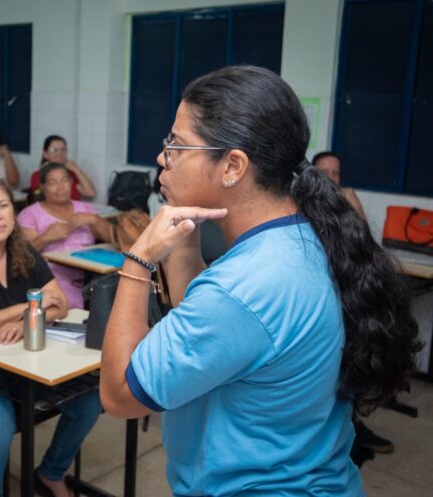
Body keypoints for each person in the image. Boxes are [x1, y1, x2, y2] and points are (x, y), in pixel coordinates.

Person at [100, 66, 420, 495]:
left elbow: (120, 395)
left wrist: (138, 261)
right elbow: (202, 318)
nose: (162, 157)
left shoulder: (241, 288)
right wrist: (183, 232)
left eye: (176, 145)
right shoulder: (304, 237)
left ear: (233, 166)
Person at [0, 176, 101, 497]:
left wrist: (27, 322)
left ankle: (50, 473)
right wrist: (29, 307)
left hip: (18, 364)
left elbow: (60, 304)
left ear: (14, 210)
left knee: (90, 399)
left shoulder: (22, 250)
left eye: (3, 206)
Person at [18, 162, 110, 309]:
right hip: (53, 281)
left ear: (71, 182)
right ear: (42, 187)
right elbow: (21, 255)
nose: (60, 187)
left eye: (64, 180)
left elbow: (111, 238)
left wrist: (94, 219)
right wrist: (46, 237)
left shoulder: (85, 208)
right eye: (53, 182)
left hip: (91, 278)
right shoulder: (30, 214)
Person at [28, 135, 96, 202]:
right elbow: (40, 198)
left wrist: (77, 170)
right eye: (54, 150)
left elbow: (90, 193)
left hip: (74, 208)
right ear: (45, 154)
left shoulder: (72, 173)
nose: (59, 153)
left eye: (63, 150)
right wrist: (44, 175)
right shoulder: (37, 175)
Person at [312, 151, 366, 218]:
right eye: (324, 172)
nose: (330, 177)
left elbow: (361, 224)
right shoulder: (302, 198)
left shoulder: (347, 197)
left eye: (335, 173)